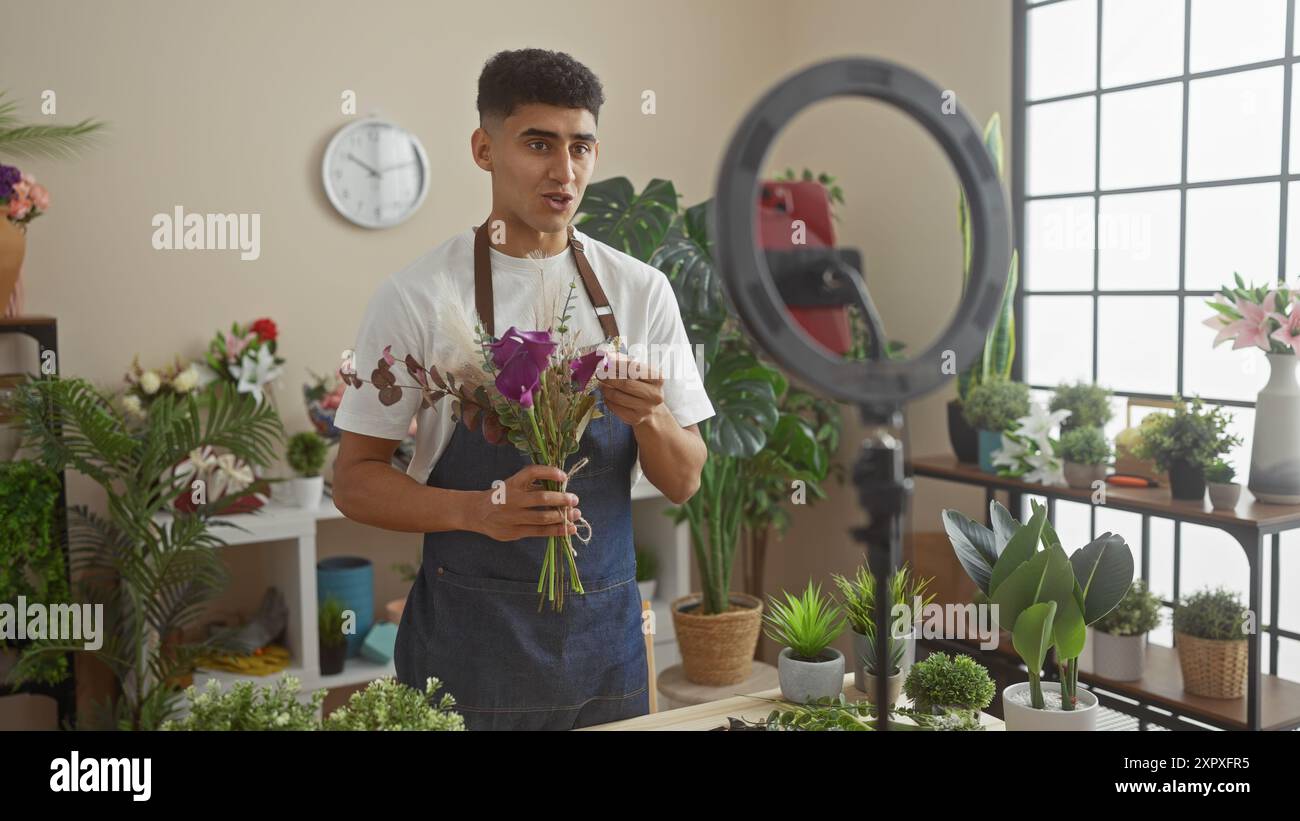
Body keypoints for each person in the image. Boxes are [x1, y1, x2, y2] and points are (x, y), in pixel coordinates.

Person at [331, 48, 714, 730]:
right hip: (467, 644)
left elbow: (684, 480)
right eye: (538, 144)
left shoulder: (639, 291)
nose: (564, 172)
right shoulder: (417, 296)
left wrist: (650, 419)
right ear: (484, 148)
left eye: (581, 147)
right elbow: (353, 481)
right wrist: (477, 510)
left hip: (607, 649)